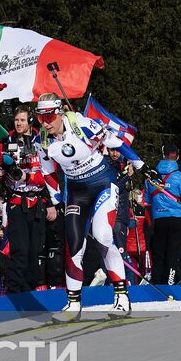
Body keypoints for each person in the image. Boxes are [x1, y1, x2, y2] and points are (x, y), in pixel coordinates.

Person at [34, 94, 144, 319]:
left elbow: (113, 141)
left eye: (50, 115)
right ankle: (73, 304)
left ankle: (122, 295)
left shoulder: (80, 123)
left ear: (61, 112)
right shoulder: (42, 141)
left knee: (103, 236)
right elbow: (48, 172)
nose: (45, 121)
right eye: (40, 117)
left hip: (103, 183)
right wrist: (56, 199)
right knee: (74, 245)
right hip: (77, 193)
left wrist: (138, 162)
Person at [0, 106, 53, 293]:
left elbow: (51, 173)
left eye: (22, 120)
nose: (18, 124)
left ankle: (32, 290)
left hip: (37, 201)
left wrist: (50, 202)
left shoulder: (42, 141)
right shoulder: (4, 143)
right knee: (20, 250)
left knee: (36, 250)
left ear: (30, 121)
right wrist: (0, 171)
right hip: (16, 202)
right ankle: (15, 292)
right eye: (16, 120)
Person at [144, 144, 181, 285]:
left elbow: (147, 199)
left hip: (159, 218)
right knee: (173, 252)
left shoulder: (151, 176)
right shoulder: (180, 176)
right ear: (177, 156)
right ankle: (170, 281)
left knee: (159, 253)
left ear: (163, 155)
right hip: (176, 218)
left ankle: (157, 282)